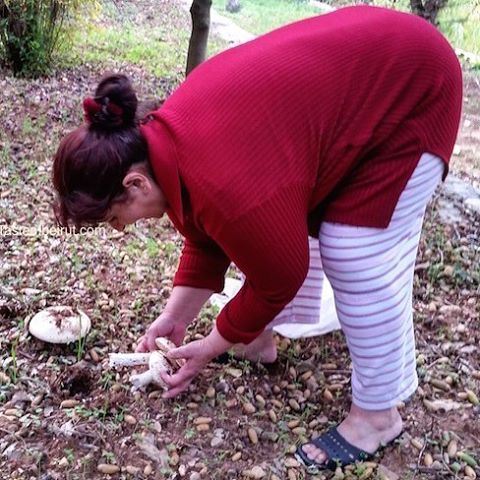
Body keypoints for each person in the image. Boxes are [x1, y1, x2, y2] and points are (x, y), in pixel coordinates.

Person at [52, 5, 462, 471]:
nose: (121, 228)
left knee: (355, 251)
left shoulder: (224, 183)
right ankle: (261, 338)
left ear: (135, 185)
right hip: (369, 79)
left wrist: (211, 345)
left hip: (413, 87)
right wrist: (176, 317)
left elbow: (280, 274)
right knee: (281, 220)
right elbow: (209, 234)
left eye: (114, 219)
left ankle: (378, 416)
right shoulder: (169, 147)